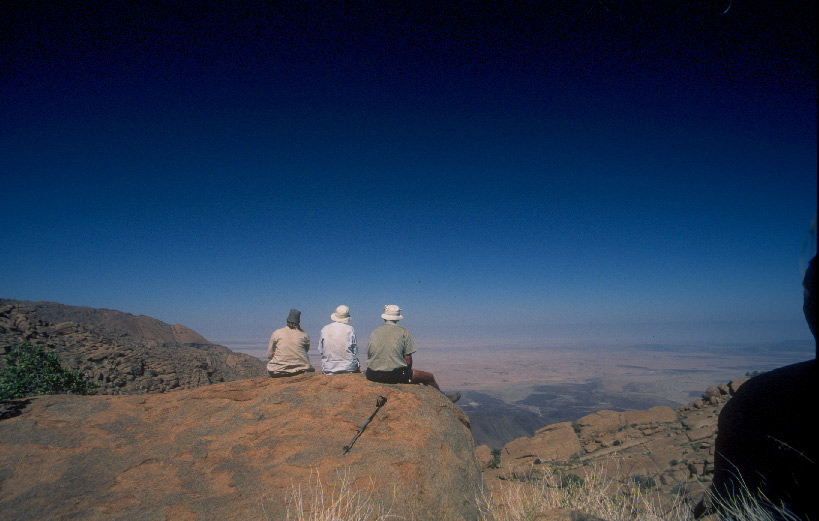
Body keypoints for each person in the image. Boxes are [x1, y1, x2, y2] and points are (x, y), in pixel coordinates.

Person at [365, 304, 460, 403]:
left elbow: (370, 353)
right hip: (393, 375)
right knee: (429, 377)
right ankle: (444, 399)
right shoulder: (403, 332)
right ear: (397, 317)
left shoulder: (375, 332)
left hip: (372, 374)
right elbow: (408, 360)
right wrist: (406, 372)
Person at [266, 308, 315, 377]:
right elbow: (305, 350)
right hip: (301, 369)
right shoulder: (304, 335)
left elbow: (269, 355)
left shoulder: (277, 333)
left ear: (287, 320)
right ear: (298, 321)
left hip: (278, 370)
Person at [318, 305, 360, 374]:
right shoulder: (350, 329)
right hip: (348, 367)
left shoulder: (325, 329)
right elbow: (354, 350)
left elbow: (321, 350)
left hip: (328, 368)